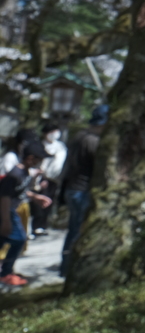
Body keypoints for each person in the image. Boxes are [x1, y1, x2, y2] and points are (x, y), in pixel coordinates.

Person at [60, 104, 106, 278]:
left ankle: (65, 267)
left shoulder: (78, 137)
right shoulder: (93, 141)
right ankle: (71, 268)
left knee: (73, 229)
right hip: (83, 190)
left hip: (71, 188)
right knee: (79, 230)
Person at [0, 140, 51, 287]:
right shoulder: (14, 174)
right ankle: (5, 273)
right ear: (30, 158)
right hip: (6, 211)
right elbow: (4, 198)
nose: (41, 163)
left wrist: (35, 197)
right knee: (19, 239)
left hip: (10, 210)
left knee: (4, 239)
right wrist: (5, 220)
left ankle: (6, 271)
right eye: (39, 159)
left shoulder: (25, 173)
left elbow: (20, 191)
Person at [30, 124, 66, 237]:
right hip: (42, 178)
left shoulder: (61, 146)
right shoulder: (40, 145)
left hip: (55, 179)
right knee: (41, 202)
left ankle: (43, 226)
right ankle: (36, 226)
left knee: (50, 202)